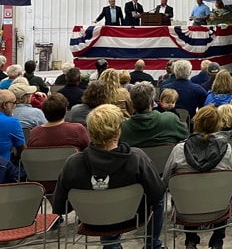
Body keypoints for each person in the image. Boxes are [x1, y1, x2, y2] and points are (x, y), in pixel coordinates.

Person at [53, 104, 166, 249]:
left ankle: (111, 245)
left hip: (92, 220)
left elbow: (60, 207)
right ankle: (152, 245)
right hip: (132, 218)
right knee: (159, 198)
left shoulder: (72, 163)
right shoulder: (137, 158)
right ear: (118, 131)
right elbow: (157, 193)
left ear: (90, 132)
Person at [162, 105, 232, 249]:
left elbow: (165, 181)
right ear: (218, 124)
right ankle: (217, 241)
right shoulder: (226, 149)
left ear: (196, 123)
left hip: (185, 210)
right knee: (224, 192)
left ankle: (191, 240)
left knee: (183, 193)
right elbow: (230, 181)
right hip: (218, 208)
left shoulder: (179, 150)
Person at [120, 82, 189, 148]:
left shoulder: (122, 129)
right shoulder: (171, 120)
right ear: (152, 103)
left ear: (132, 104)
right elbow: (186, 136)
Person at [0, 89, 24, 165]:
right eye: (14, 103)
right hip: (3, 170)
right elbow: (23, 151)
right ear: (5, 105)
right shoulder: (12, 122)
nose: (15, 106)